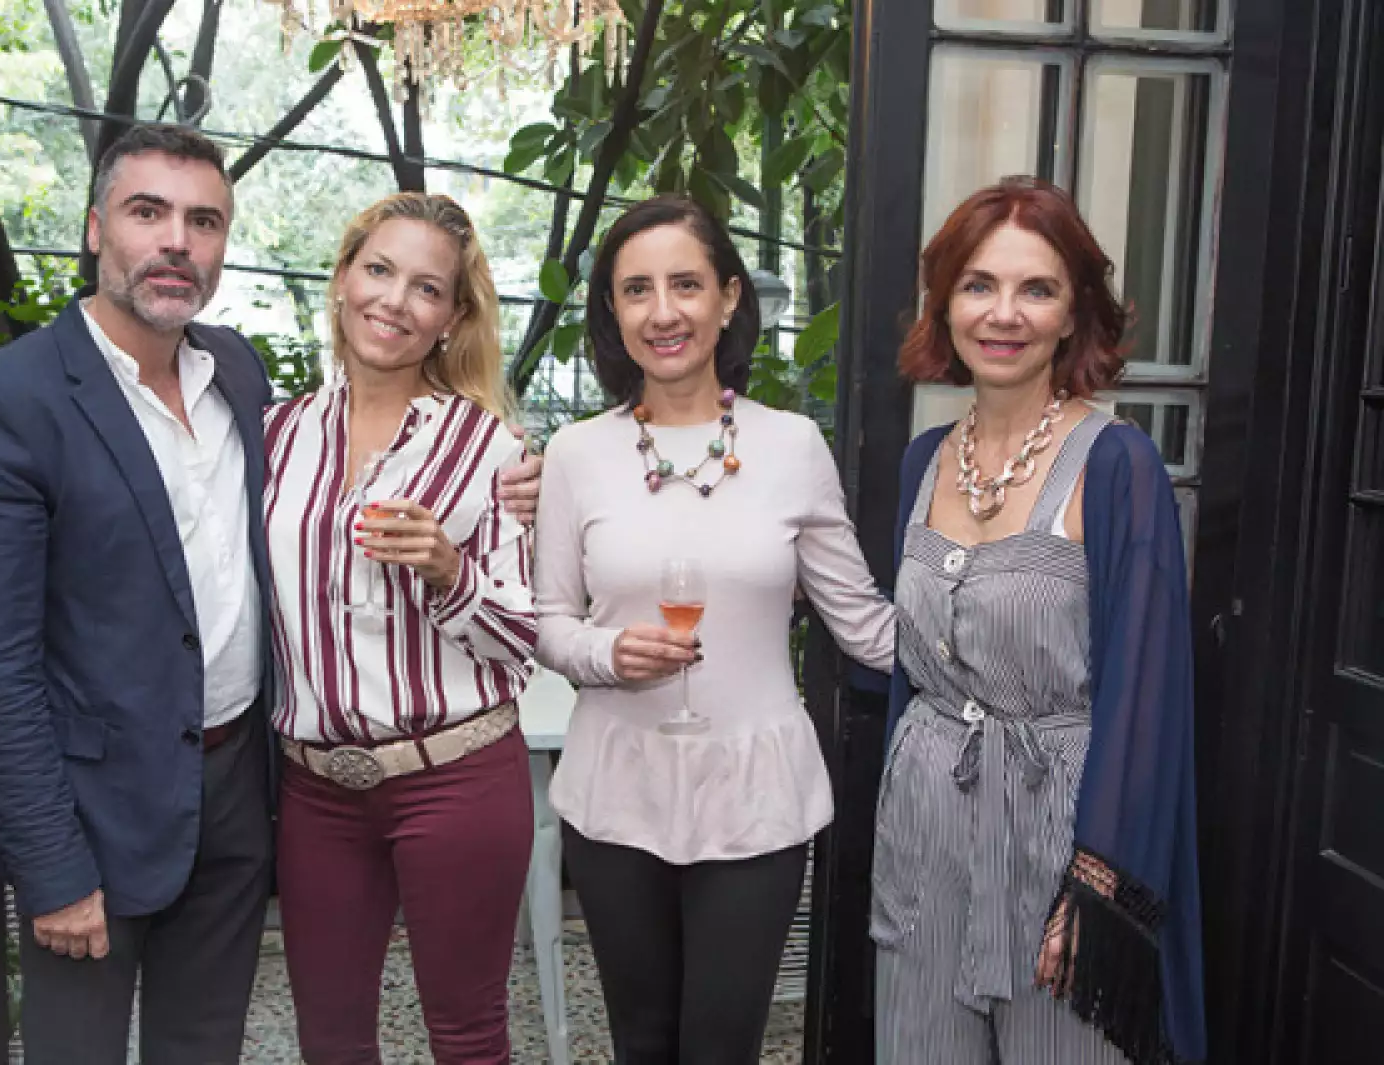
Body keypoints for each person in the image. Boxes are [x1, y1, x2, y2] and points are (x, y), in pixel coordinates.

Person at [0, 127, 541, 1064]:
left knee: (207, 1045)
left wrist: (494, 522)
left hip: (242, 797)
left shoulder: (236, 378)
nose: (177, 241)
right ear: (95, 228)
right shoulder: (9, 399)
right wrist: (49, 862)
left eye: (204, 221)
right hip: (101, 809)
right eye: (148, 212)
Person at [532, 195, 898, 1063]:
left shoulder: (792, 445)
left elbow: (864, 625)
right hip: (616, 785)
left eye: (686, 284)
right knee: (642, 1043)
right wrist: (608, 653)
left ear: (729, 298)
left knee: (722, 1046)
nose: (663, 312)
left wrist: (1000, 637)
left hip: (755, 791)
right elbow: (550, 623)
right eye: (637, 290)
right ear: (613, 310)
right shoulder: (577, 453)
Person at [870, 176, 1205, 1065]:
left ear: (1073, 314)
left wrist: (1099, 887)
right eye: (979, 284)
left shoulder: (1119, 464)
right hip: (923, 841)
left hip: (1058, 843)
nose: (1003, 313)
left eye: (1037, 289)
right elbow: (908, 668)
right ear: (945, 304)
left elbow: (1147, 697)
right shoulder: (922, 461)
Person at [264, 192, 538, 1064]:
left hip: (456, 780)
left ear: (452, 317)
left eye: (427, 288)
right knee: (330, 1039)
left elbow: (521, 639)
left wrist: (450, 571)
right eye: (379, 270)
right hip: (317, 788)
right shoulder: (272, 435)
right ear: (343, 278)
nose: (394, 300)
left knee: (467, 1036)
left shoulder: (491, 451)